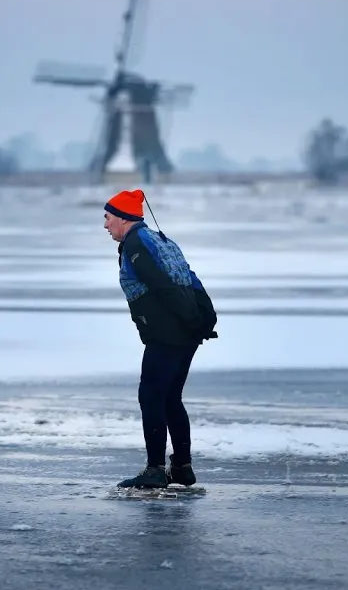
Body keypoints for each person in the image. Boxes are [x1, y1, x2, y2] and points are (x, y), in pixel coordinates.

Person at [102, 189, 218, 489]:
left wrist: (191, 321)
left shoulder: (137, 243)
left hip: (169, 332)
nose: (105, 225)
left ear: (123, 218)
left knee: (151, 397)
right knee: (169, 398)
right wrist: (205, 319)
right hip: (186, 330)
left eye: (108, 217)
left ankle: (155, 469)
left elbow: (163, 284)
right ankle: (181, 467)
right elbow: (189, 278)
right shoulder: (161, 239)